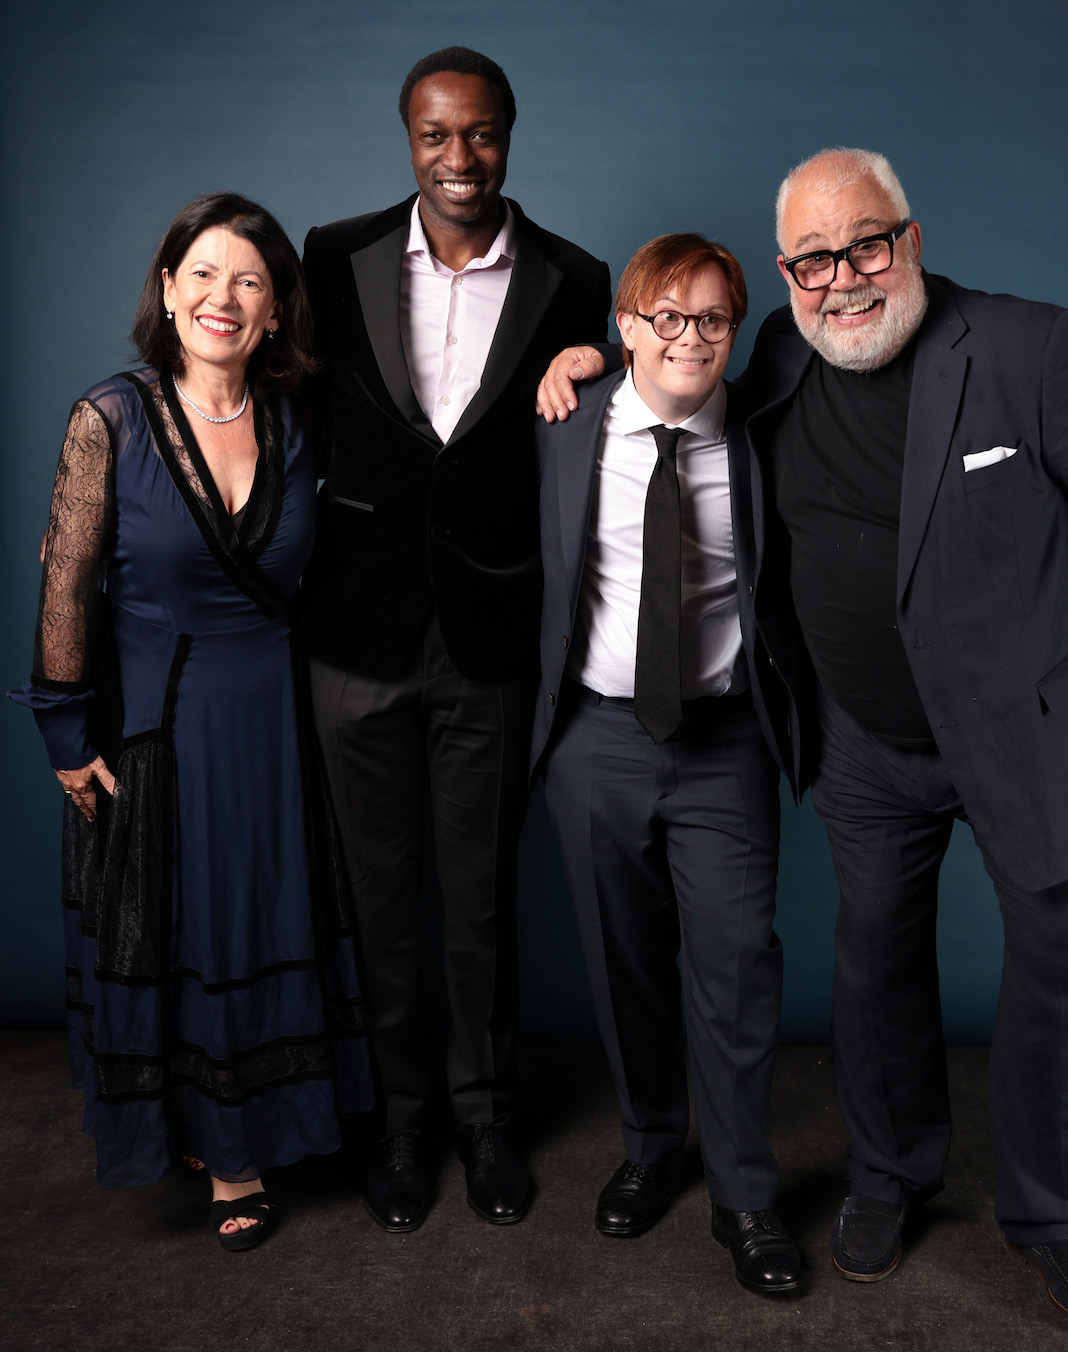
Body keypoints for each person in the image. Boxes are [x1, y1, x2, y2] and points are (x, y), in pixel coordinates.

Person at [537, 149, 1068, 1334]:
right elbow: (671, 378)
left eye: (865, 245)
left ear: (912, 238)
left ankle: (1053, 1221)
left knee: (1061, 976)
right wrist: (586, 356)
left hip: (1026, 735)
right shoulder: (782, 357)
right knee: (876, 969)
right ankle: (889, 1176)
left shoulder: (1026, 349)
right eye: (811, 260)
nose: (841, 279)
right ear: (786, 274)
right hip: (865, 745)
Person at [11, 193, 370, 1251]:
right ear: (167, 292)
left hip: (279, 727)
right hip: (157, 730)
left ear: (273, 312)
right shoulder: (107, 418)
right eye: (203, 274)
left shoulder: (302, 420)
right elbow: (66, 585)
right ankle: (226, 1157)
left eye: (249, 280)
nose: (224, 296)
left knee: (264, 925)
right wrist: (63, 733)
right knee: (188, 934)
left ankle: (265, 1123)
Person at [296, 47, 612, 1232]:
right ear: (408, 140)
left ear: (511, 136)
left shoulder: (575, 278)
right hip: (353, 629)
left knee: (478, 901)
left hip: (490, 628)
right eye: (437, 136)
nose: (460, 158)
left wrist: (606, 355)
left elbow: (642, 387)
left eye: (480, 135)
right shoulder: (334, 256)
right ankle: (402, 1125)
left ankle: (484, 1123)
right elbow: (273, 396)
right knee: (379, 897)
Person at [529, 236, 802, 1294]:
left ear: (737, 332)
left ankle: (743, 1191)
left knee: (736, 969)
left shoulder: (768, 423)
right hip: (595, 738)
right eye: (667, 318)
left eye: (714, 321)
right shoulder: (564, 424)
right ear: (628, 326)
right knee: (625, 961)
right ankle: (651, 1146)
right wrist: (576, 359)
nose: (691, 339)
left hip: (726, 740)